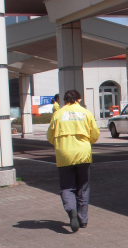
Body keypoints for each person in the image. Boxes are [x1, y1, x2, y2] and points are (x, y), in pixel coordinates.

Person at [47, 89, 100, 232]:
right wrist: (88, 141)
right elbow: (95, 134)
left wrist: (60, 145)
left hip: (64, 155)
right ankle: (83, 219)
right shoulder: (86, 113)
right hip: (83, 154)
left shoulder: (58, 114)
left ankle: (71, 210)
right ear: (79, 99)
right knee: (83, 186)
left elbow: (50, 136)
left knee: (67, 187)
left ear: (64, 100)